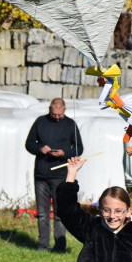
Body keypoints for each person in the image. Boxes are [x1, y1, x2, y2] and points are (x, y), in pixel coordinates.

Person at [25, 98, 83, 252]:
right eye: (54, 114)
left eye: (60, 114)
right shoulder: (40, 122)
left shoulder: (70, 124)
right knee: (43, 213)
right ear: (50, 109)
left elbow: (79, 148)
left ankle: (59, 246)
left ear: (64, 110)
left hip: (61, 175)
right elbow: (29, 144)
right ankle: (43, 246)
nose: (57, 117)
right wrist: (40, 148)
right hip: (41, 175)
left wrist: (65, 153)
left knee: (59, 213)